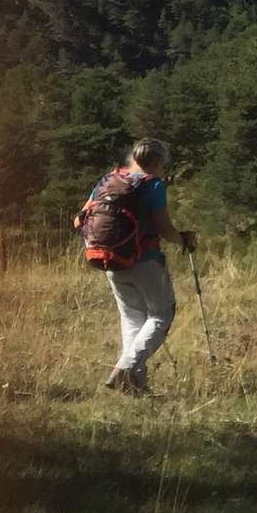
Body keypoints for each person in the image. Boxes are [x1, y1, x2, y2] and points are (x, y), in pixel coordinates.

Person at [83, 138, 196, 395]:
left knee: (133, 319)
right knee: (161, 315)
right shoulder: (153, 185)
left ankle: (135, 385)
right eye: (163, 164)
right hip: (145, 260)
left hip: (110, 258)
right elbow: (165, 229)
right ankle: (125, 368)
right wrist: (184, 239)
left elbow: (80, 218)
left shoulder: (108, 180)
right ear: (157, 162)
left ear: (132, 158)